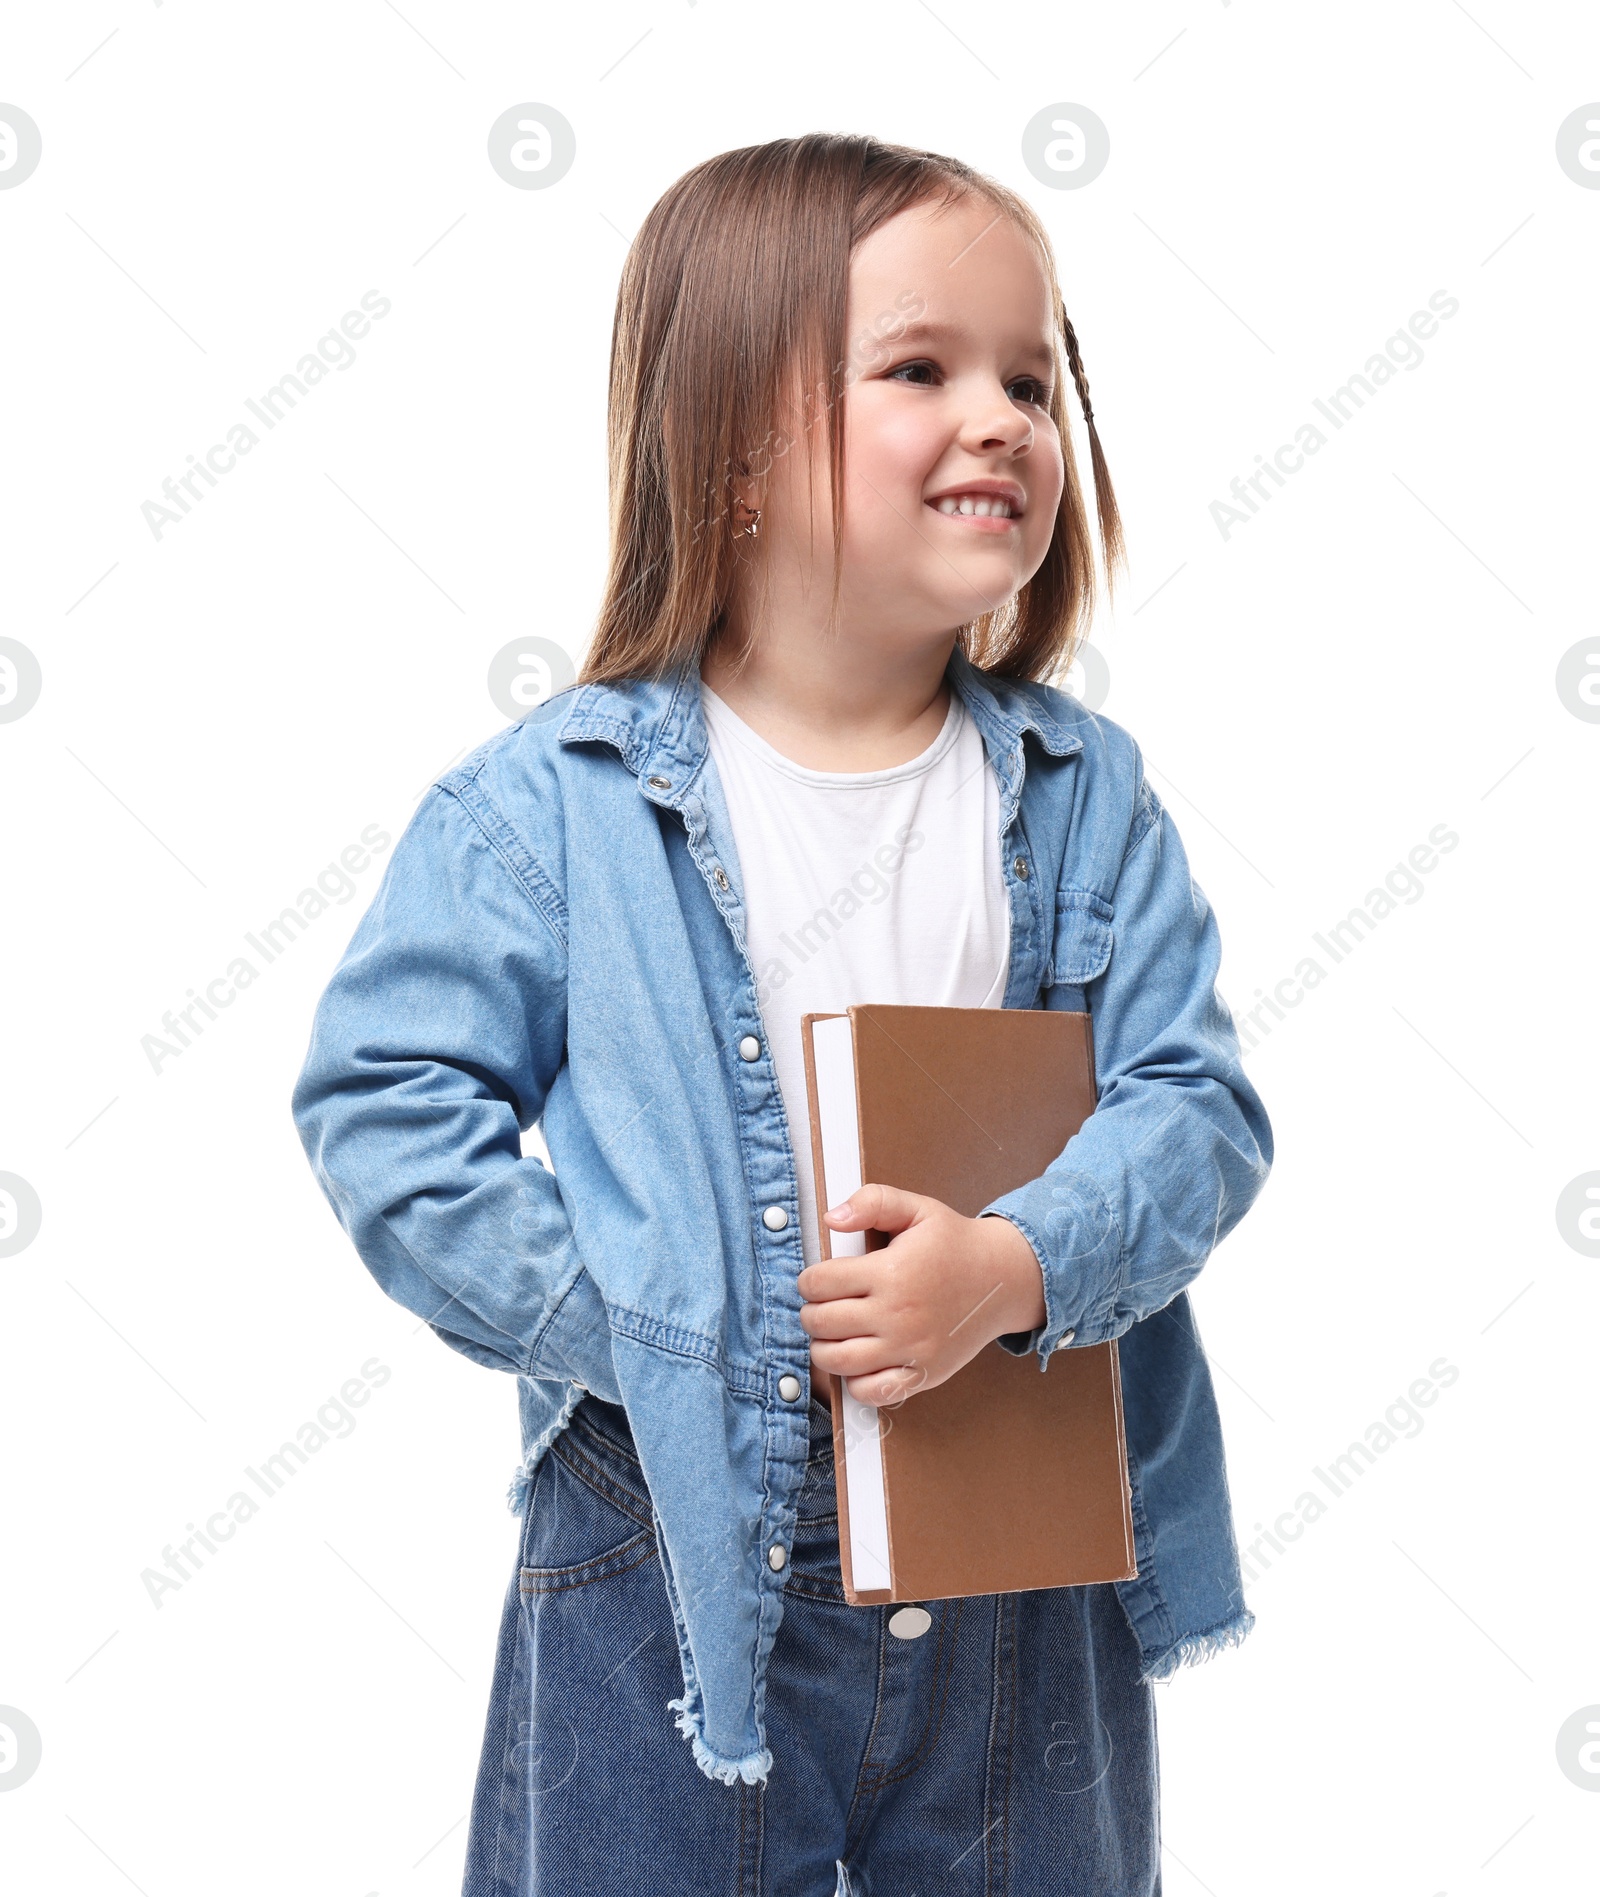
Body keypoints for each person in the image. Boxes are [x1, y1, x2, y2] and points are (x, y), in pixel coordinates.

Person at [292, 132, 1274, 1897]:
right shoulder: (556, 807)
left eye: (1032, 379)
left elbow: (1193, 1106)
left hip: (1014, 1564)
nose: (1005, 419)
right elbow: (386, 1100)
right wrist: (650, 1332)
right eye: (923, 369)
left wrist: (1014, 1268)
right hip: (669, 1550)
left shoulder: (1080, 795)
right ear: (734, 442)